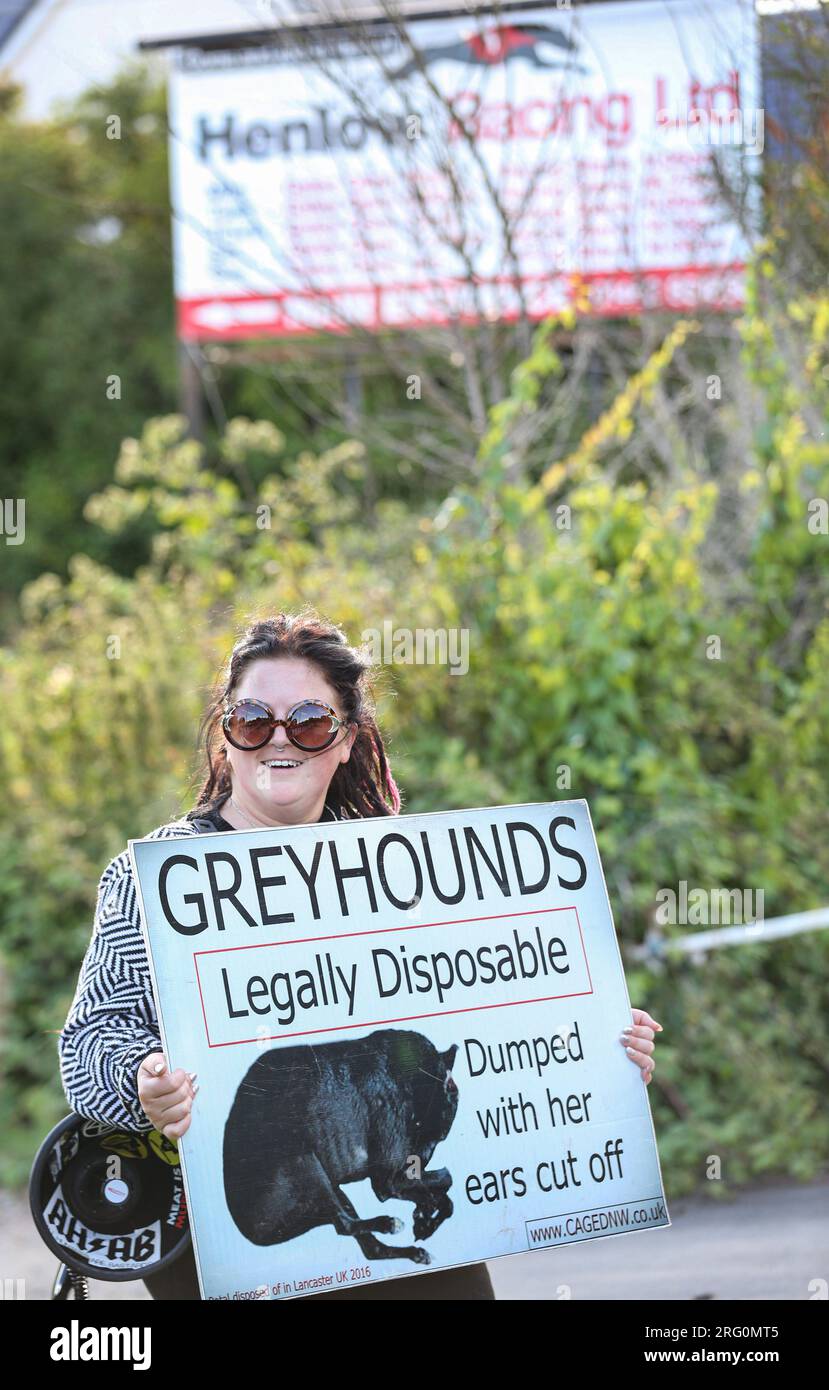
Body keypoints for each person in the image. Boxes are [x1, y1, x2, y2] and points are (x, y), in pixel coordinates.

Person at [59, 610, 662, 1301]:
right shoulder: (153, 875)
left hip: (407, 1242)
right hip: (228, 1244)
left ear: (345, 742)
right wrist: (143, 1084)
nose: (278, 741)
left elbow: (485, 1013)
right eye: (253, 720)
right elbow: (90, 1044)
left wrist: (593, 1050)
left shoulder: (402, 873)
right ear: (226, 736)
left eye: (309, 722)